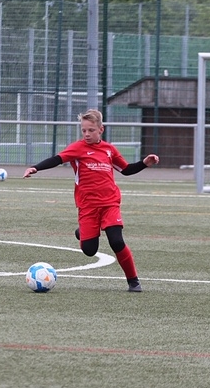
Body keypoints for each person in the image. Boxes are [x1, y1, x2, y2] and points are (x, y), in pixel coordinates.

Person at [22, 109, 159, 292]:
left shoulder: (109, 150)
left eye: (91, 130)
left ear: (101, 129)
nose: (87, 134)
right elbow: (57, 159)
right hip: (87, 206)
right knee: (89, 250)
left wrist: (144, 163)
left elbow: (125, 170)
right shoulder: (77, 148)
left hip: (110, 203)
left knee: (116, 241)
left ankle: (133, 281)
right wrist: (35, 168)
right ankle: (83, 232)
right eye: (84, 130)